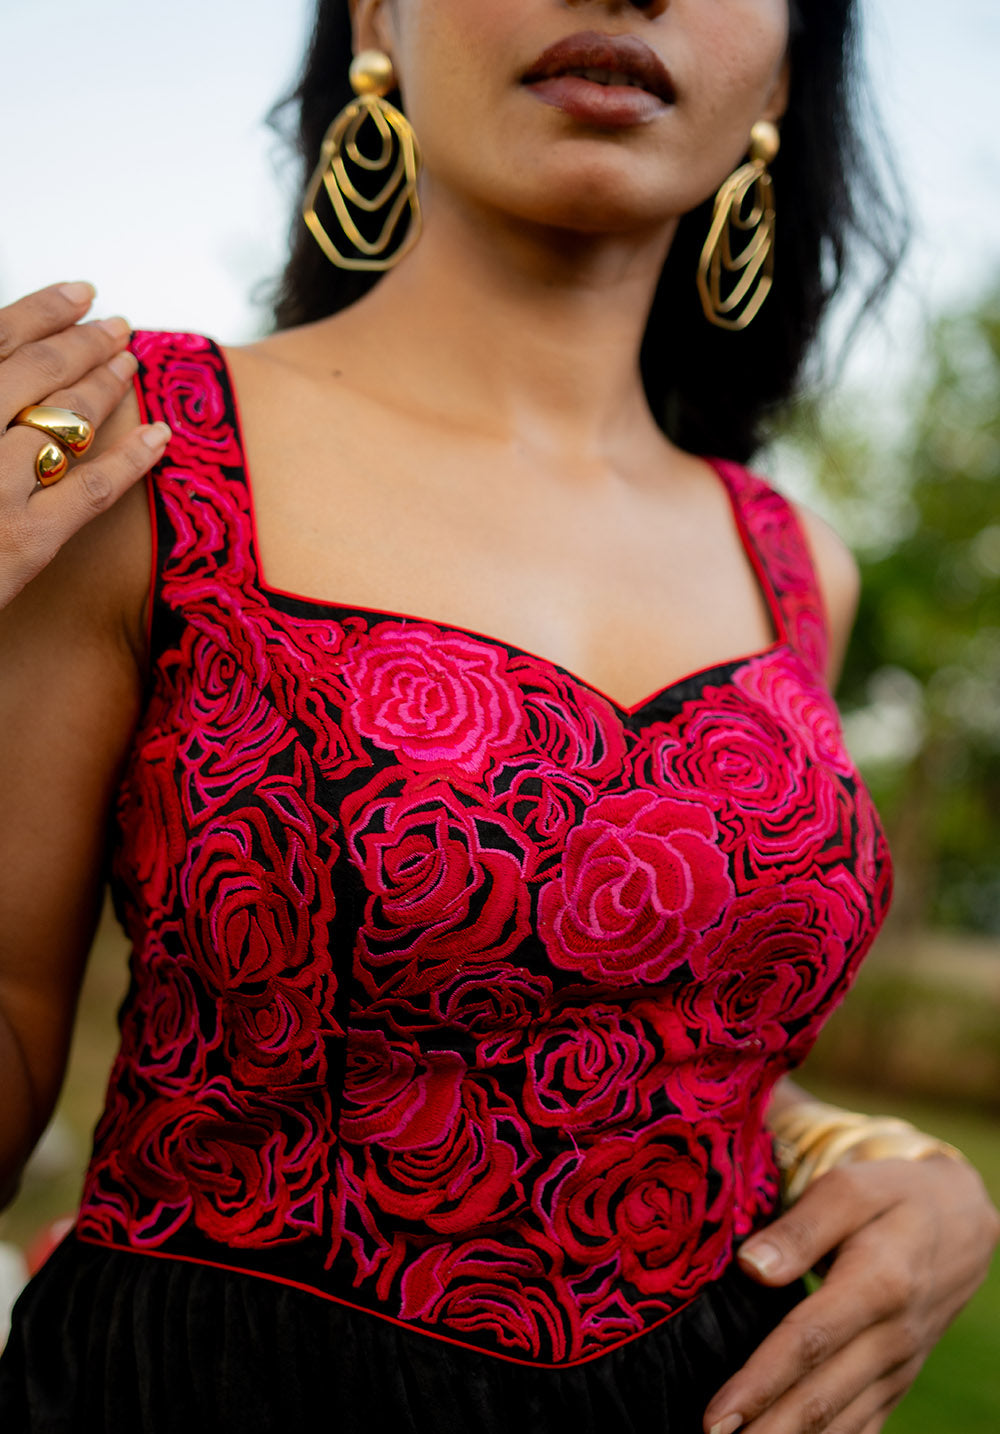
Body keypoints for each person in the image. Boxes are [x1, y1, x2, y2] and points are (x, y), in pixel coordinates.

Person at [0, 1, 997, 1431]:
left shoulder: (797, 566)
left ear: (786, 68)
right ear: (376, 19)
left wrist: (904, 1161)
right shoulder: (128, 452)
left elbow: (651, 1042)